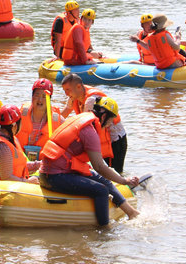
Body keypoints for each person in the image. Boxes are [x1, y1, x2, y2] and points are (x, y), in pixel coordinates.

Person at [39, 97, 140, 226]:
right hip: (53, 176)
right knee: (101, 190)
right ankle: (104, 231)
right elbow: (99, 166)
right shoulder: (89, 131)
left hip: (60, 170)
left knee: (103, 180)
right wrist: (124, 181)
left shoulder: (82, 119)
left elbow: (99, 170)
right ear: (104, 117)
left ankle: (131, 213)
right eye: (110, 120)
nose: (109, 125)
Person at [59, 75, 127, 173]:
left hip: (115, 141)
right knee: (105, 172)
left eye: (68, 90)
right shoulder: (75, 96)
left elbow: (86, 125)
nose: (66, 94)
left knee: (116, 172)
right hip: (102, 140)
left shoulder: (91, 100)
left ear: (78, 86)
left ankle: (129, 184)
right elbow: (64, 113)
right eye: (64, 90)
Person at [0, 106, 41, 182]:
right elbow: (7, 178)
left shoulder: (9, 138)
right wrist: (28, 182)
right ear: (14, 126)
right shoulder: (2, 147)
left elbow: (18, 165)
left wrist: (37, 165)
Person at [16, 79, 64, 160]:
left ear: (49, 100)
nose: (40, 100)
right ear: (32, 97)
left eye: (44, 96)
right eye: (37, 95)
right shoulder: (19, 115)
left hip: (44, 163)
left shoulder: (57, 119)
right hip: (21, 160)